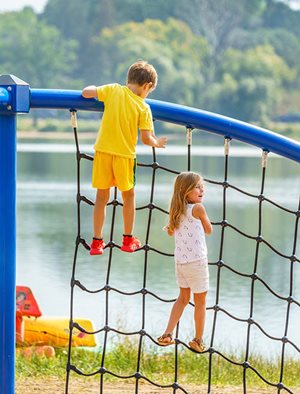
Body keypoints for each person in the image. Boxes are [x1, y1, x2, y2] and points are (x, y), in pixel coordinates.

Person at [82, 60, 167, 255]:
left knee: (101, 197)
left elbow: (87, 92)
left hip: (102, 152)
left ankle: (97, 242)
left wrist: (90, 91)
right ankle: (128, 239)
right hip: (125, 157)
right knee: (129, 196)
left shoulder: (113, 90)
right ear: (147, 86)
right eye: (149, 91)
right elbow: (146, 139)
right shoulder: (143, 108)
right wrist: (158, 143)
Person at [157, 171, 213, 352]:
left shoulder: (177, 211)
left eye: (202, 186)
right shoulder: (198, 209)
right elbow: (209, 230)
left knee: (182, 298)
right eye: (197, 187)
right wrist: (203, 218)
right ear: (186, 191)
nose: (201, 189)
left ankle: (167, 334)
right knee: (201, 302)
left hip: (181, 263)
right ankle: (198, 340)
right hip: (197, 262)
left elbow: (172, 231)